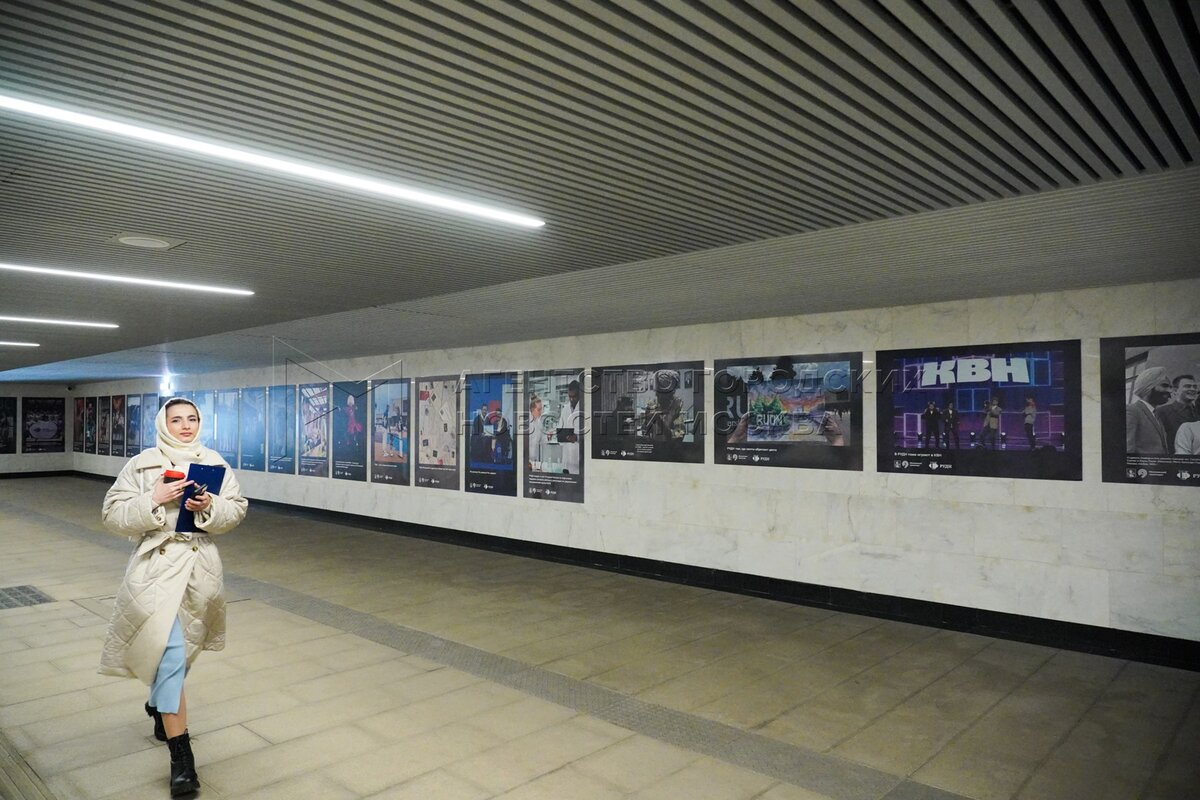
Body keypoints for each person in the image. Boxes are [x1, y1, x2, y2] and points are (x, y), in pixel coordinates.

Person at [100, 398, 248, 796]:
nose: (185, 425)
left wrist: (209, 506)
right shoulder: (142, 464)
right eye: (177, 419)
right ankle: (182, 761)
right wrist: (154, 498)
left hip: (199, 570)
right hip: (155, 571)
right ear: (162, 424)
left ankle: (157, 703)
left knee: (182, 656)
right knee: (169, 656)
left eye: (192, 419)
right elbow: (112, 514)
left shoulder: (214, 462)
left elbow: (236, 510)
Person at [1126, 367, 1172, 454]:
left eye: (1170, 387)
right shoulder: (1132, 411)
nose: (1170, 391)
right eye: (1164, 385)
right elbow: (1127, 449)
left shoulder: (1156, 415)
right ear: (1148, 386)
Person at [1154, 374, 1198, 448]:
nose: (1193, 389)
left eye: (1195, 387)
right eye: (1187, 386)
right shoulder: (1161, 412)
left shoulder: (1198, 412)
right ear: (1175, 390)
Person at [558, 380, 582, 474]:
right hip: (566, 458)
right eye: (570, 396)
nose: (571, 399)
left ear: (580, 395)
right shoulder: (565, 409)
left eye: (574, 396)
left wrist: (577, 438)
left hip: (578, 458)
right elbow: (560, 427)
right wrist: (559, 435)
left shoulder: (584, 408)